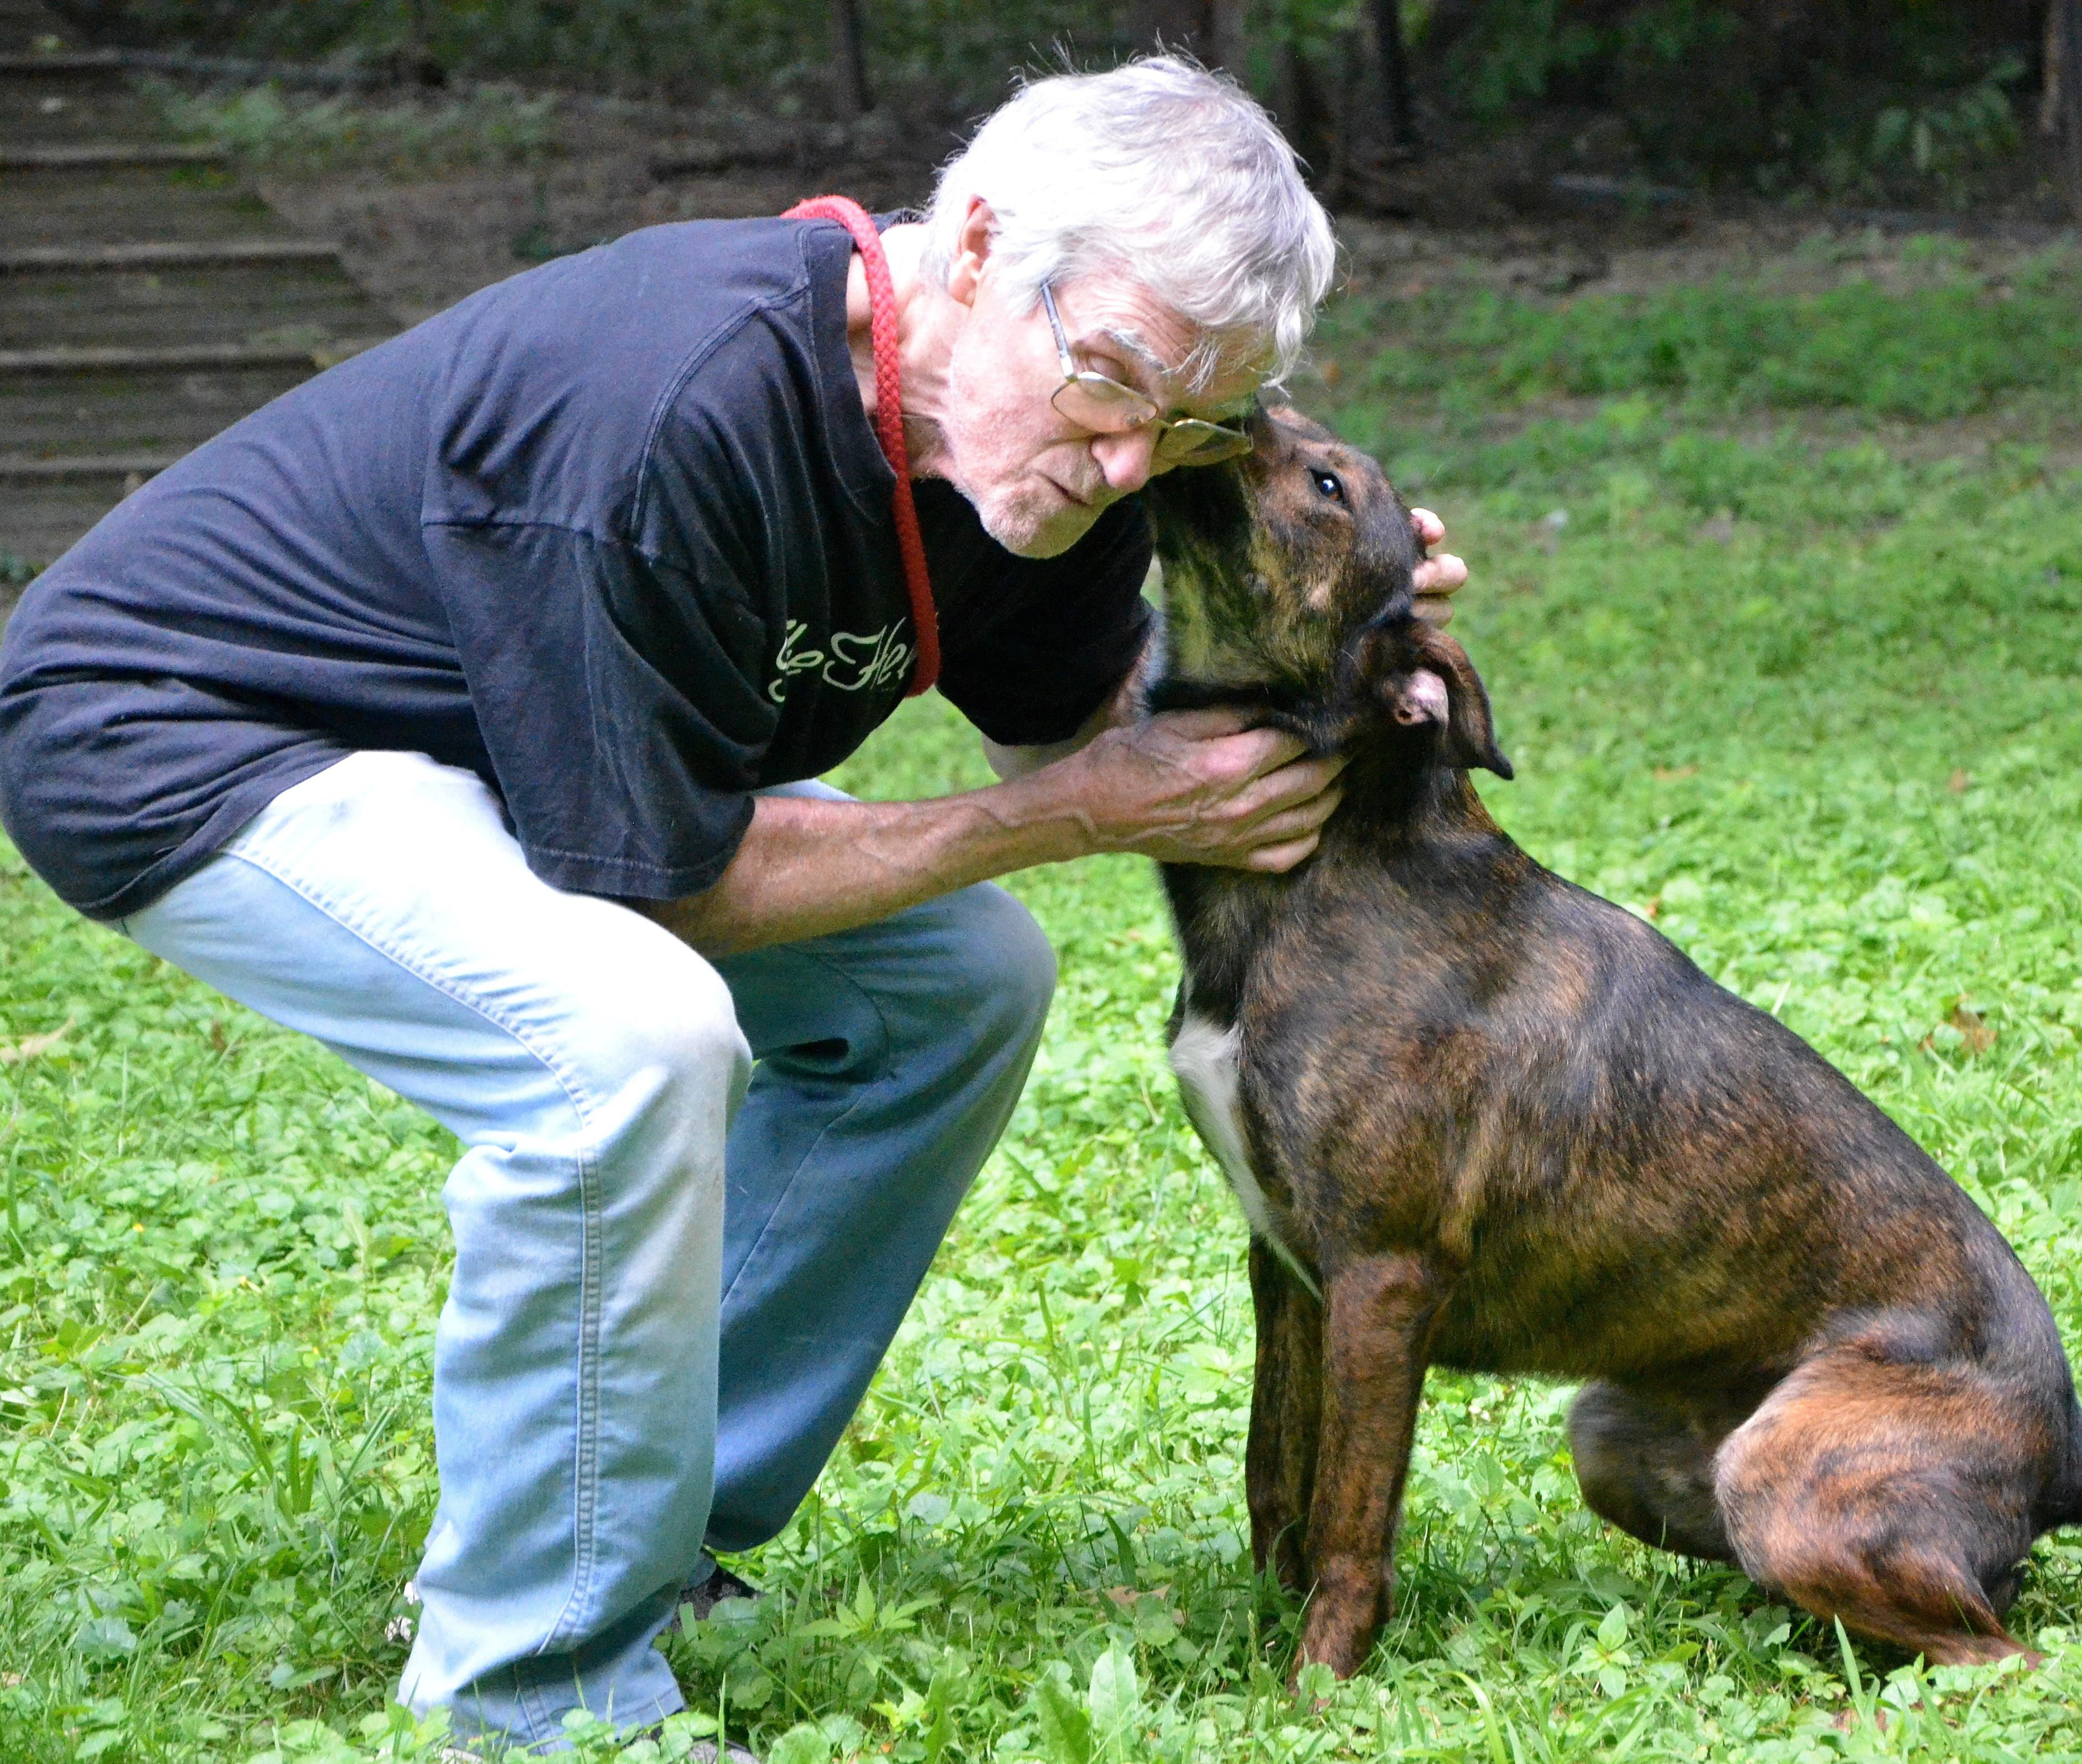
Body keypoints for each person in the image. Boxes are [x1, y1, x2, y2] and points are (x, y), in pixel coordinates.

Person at [0, 58, 1464, 1751]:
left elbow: (1076, 722)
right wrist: (1049, 818)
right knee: (623, 1038)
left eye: (1186, 426)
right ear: (976, 247)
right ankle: (532, 1686)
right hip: (185, 725)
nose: (1129, 457)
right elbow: (675, 889)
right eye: (1110, 380)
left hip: (496, 751)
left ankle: (654, 1525)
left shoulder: (1042, 452)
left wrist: (1336, 622)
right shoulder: (675, 403)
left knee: (958, 978)